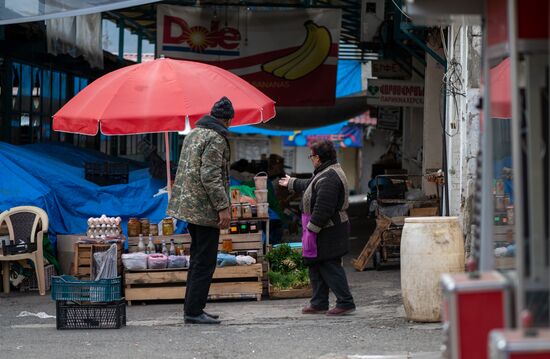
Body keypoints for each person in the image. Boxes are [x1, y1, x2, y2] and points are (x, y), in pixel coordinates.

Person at [167, 96, 234, 325]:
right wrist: (223, 207)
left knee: (197, 259)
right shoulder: (216, 138)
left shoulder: (194, 133)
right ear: (228, 120)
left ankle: (192, 308)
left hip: (189, 207)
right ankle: (194, 311)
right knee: (205, 261)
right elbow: (210, 176)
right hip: (204, 210)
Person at [278, 139, 356, 316]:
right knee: (316, 264)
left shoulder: (330, 176)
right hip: (322, 228)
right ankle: (319, 303)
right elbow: (311, 185)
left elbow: (324, 208)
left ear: (318, 158)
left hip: (329, 229)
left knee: (329, 265)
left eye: (312, 156)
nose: (311, 159)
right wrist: (291, 183)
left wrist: (311, 230)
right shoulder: (325, 172)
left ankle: (345, 302)